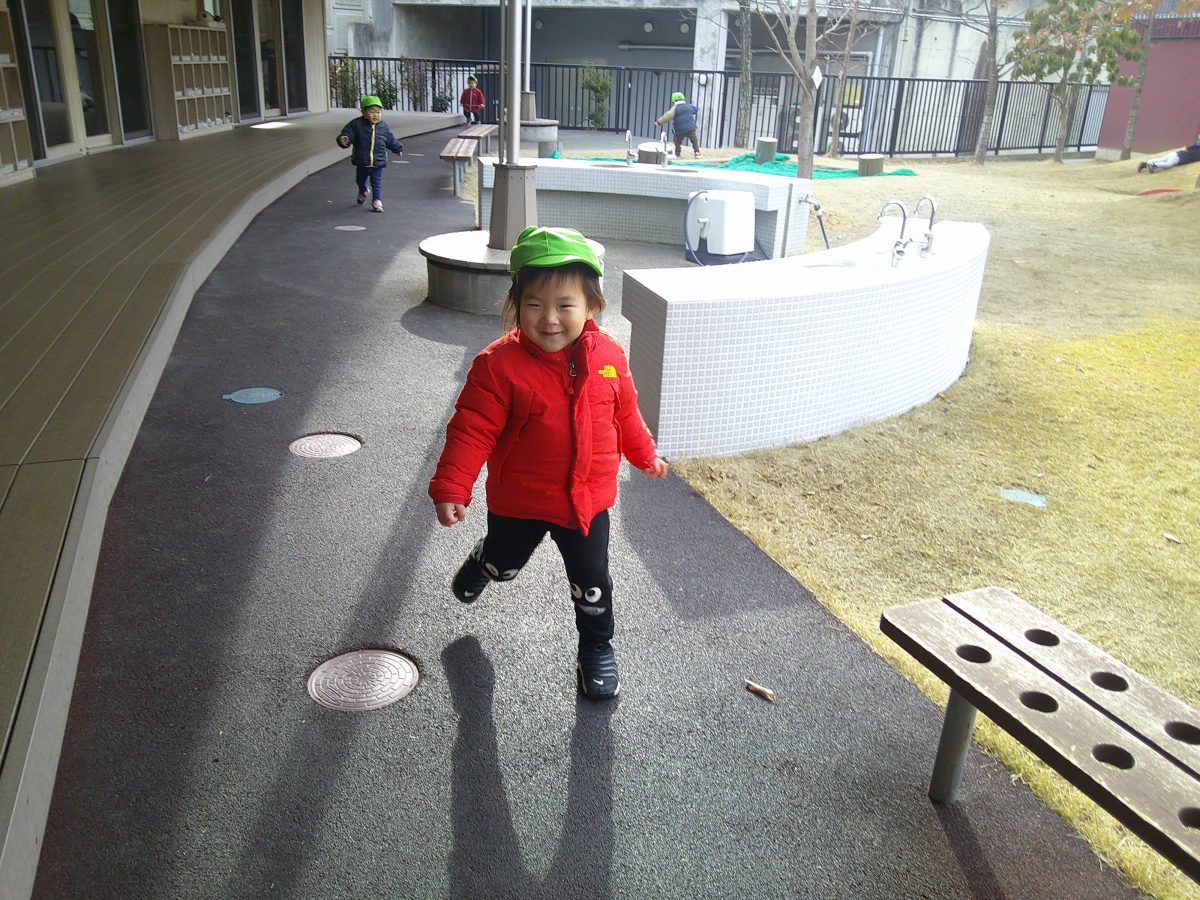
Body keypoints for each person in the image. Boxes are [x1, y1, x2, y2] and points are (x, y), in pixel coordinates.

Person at [429, 226, 669, 701]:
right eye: (535, 304)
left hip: (587, 503)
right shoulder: (499, 366)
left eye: (565, 305)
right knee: (505, 564)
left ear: (592, 305)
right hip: (520, 500)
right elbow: (472, 429)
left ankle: (596, 648)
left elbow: (625, 413)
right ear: (517, 305)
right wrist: (452, 487)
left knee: (592, 582)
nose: (550, 318)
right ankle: (484, 561)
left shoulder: (609, 357)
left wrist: (645, 453)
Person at [336, 95, 404, 212]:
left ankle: (376, 201)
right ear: (364, 112)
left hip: (378, 161)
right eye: (372, 112)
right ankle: (363, 190)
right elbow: (348, 133)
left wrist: (397, 149)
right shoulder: (356, 124)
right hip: (362, 160)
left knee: (376, 182)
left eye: (378, 112)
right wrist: (344, 139)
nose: (376, 115)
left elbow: (390, 139)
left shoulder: (383, 126)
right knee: (360, 180)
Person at [655, 91, 702, 159]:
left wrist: (658, 122)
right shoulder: (688, 106)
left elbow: (667, 117)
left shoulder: (675, 108)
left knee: (677, 142)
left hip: (680, 129)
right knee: (694, 140)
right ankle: (697, 152)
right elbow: (695, 110)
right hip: (690, 128)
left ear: (673, 101)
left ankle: (677, 155)